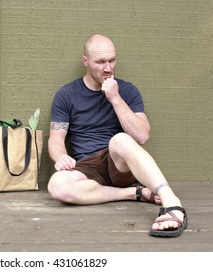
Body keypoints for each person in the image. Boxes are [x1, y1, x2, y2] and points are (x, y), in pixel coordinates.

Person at [47, 34, 188, 237]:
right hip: (88, 167)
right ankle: (135, 193)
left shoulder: (127, 91)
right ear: (85, 61)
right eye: (100, 62)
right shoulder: (67, 94)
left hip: (119, 161)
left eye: (112, 60)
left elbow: (141, 136)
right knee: (57, 186)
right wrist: (61, 157)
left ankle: (172, 204)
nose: (108, 68)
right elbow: (56, 138)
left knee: (119, 139)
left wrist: (115, 98)